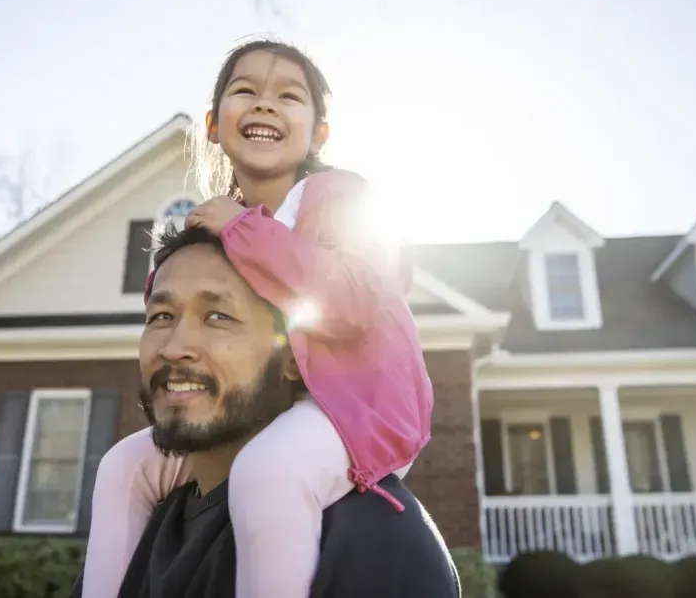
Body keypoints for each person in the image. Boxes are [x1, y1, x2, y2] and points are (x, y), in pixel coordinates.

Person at [82, 39, 434, 598]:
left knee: (269, 471)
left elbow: (353, 301)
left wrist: (240, 230)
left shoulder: (340, 197)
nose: (265, 104)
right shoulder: (224, 217)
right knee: (124, 465)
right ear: (214, 124)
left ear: (320, 133)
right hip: (269, 399)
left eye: (289, 96)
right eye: (245, 91)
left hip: (354, 407)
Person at [72, 224, 458, 598]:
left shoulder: (376, 542)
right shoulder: (135, 533)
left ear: (295, 357)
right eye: (162, 317)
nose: (174, 347)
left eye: (217, 317)